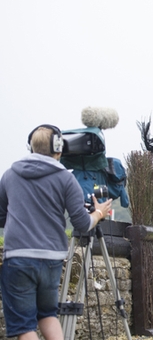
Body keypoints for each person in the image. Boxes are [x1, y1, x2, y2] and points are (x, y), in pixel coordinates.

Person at [0, 124, 112, 340]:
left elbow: (0, 217)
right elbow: (81, 223)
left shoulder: (10, 175)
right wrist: (98, 214)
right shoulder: (65, 178)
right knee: (48, 316)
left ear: (30, 146)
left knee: (24, 326)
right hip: (51, 258)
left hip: (18, 257)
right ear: (59, 149)